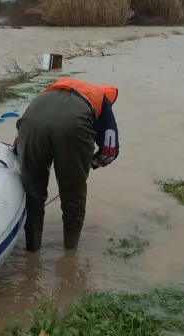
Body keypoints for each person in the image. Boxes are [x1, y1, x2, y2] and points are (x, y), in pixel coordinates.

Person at [12, 76, 120, 252]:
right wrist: (89, 163)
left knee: (33, 194)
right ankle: (69, 257)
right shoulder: (102, 99)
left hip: (31, 123)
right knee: (73, 198)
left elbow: (19, 142)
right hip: (73, 126)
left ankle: (32, 251)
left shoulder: (49, 92)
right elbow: (109, 151)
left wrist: (24, 156)